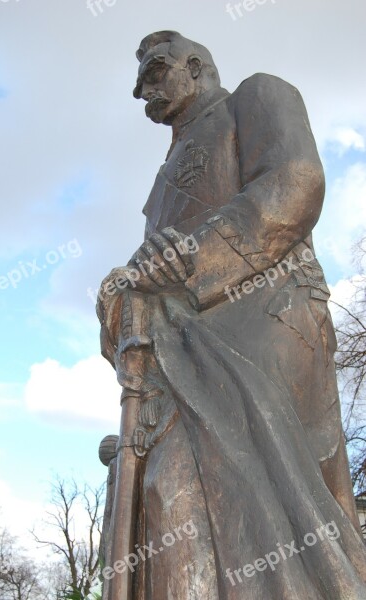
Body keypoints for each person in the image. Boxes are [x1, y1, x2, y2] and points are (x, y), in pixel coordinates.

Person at [98, 31, 366, 599]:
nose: (141, 89)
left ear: (194, 67)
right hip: (182, 344)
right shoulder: (158, 185)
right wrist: (123, 288)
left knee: (187, 477)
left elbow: (296, 184)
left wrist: (191, 258)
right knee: (157, 490)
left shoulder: (258, 95)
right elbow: (155, 273)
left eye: (155, 72)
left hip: (262, 318)